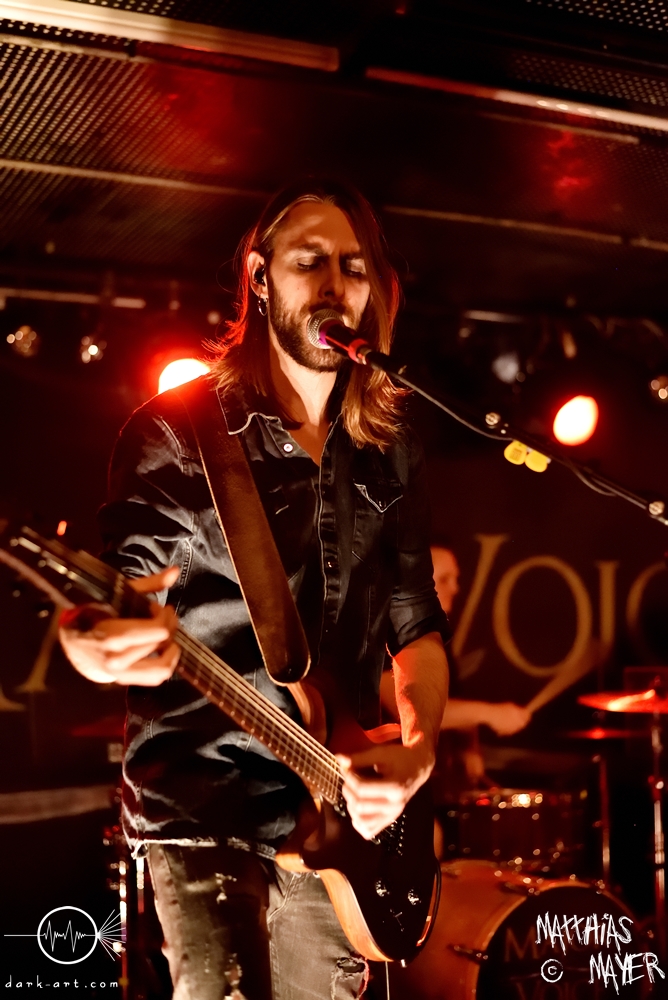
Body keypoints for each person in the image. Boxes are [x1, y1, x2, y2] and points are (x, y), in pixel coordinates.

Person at [59, 179, 449, 1000]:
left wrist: (417, 754)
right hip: (206, 807)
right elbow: (118, 608)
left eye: (353, 266)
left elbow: (416, 626)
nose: (335, 284)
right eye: (311, 261)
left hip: (338, 818)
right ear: (261, 277)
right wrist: (93, 643)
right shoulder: (178, 430)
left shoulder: (389, 450)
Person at [381, 545, 531, 790]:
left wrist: (469, 746)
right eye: (444, 579)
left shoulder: (435, 637)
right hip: (386, 782)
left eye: (455, 579)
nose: (456, 588)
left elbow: (452, 702)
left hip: (430, 783)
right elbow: (412, 710)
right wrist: (491, 714)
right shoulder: (385, 632)